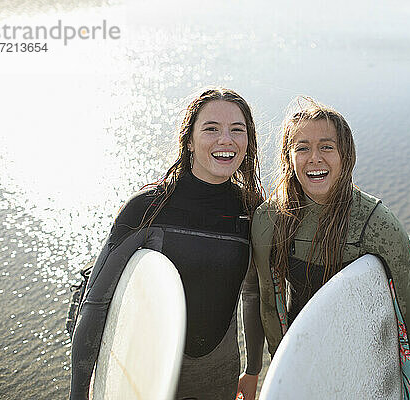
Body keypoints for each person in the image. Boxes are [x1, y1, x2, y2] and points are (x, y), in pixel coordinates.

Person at [70, 88, 265, 400]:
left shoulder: (252, 209)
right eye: (211, 128)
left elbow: (253, 291)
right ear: (189, 140)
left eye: (237, 130)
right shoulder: (147, 208)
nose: (225, 140)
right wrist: (79, 393)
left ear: (247, 142)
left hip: (220, 369)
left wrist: (253, 370)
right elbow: (94, 304)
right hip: (148, 371)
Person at [249, 98, 410, 398]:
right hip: (305, 361)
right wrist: (287, 373)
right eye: (302, 147)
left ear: (346, 155)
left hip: (366, 365)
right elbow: (269, 305)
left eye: (327, 146)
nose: (314, 158)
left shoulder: (378, 225)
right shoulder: (269, 220)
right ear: (288, 157)